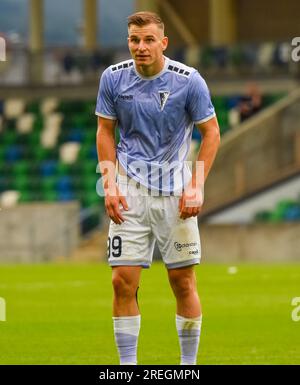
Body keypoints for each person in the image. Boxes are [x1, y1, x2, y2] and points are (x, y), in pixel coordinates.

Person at [95, 11, 220, 365]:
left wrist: (197, 185)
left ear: (163, 43)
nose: (141, 47)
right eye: (134, 40)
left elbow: (211, 132)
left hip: (175, 195)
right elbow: (104, 131)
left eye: (149, 40)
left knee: (182, 282)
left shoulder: (189, 80)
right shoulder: (113, 79)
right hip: (129, 192)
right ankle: (127, 367)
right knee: (122, 282)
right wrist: (110, 183)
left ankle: (187, 367)